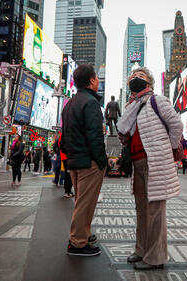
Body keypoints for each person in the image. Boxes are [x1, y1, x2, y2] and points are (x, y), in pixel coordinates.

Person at [117, 67, 183, 270]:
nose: (135, 78)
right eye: (133, 76)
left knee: (155, 212)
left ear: (150, 83)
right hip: (137, 164)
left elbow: (177, 126)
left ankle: (155, 258)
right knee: (142, 210)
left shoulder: (157, 101)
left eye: (141, 76)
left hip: (155, 162)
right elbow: (124, 131)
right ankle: (141, 250)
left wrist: (168, 148)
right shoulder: (131, 107)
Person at [60, 64, 107, 256]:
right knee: (85, 203)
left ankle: (84, 234)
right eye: (96, 78)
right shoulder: (91, 103)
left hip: (74, 161)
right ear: (91, 81)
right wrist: (102, 160)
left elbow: (64, 136)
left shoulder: (70, 103)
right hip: (89, 162)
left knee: (82, 201)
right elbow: (94, 135)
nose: (98, 81)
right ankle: (78, 242)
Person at [58, 132, 73, 198]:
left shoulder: (62, 134)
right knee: (70, 174)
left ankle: (67, 190)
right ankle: (68, 191)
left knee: (67, 173)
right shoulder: (70, 133)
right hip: (70, 156)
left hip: (63, 157)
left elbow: (58, 144)